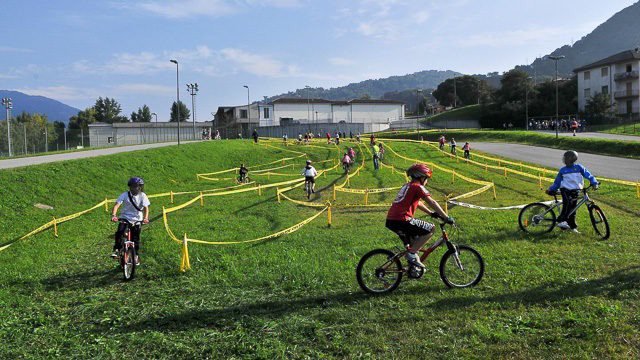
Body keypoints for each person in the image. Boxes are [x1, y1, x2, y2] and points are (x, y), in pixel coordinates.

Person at [386, 164, 453, 268]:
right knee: (431, 228)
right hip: (403, 219)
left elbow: (418, 203)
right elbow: (432, 202)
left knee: (415, 241)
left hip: (392, 220)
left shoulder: (408, 186)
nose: (427, 181)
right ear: (421, 177)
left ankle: (412, 266)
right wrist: (445, 217)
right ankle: (411, 254)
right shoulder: (418, 187)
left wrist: (430, 213)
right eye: (426, 178)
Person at [546, 151, 599, 232]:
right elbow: (557, 182)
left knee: (573, 210)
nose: (563, 160)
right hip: (565, 190)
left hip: (576, 191)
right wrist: (551, 189)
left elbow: (589, 175)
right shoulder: (562, 170)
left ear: (570, 159)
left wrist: (594, 183)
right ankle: (562, 221)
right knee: (567, 203)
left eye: (565, 158)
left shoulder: (579, 167)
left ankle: (572, 226)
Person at [110, 177, 150, 265]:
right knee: (120, 232)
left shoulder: (143, 196)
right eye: (134, 186)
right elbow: (116, 205)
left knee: (136, 238)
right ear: (130, 187)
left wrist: (146, 218)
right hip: (125, 217)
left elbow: (146, 208)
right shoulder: (124, 195)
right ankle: (117, 249)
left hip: (137, 219)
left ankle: (135, 255)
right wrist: (114, 215)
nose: (136, 188)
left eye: (138, 186)